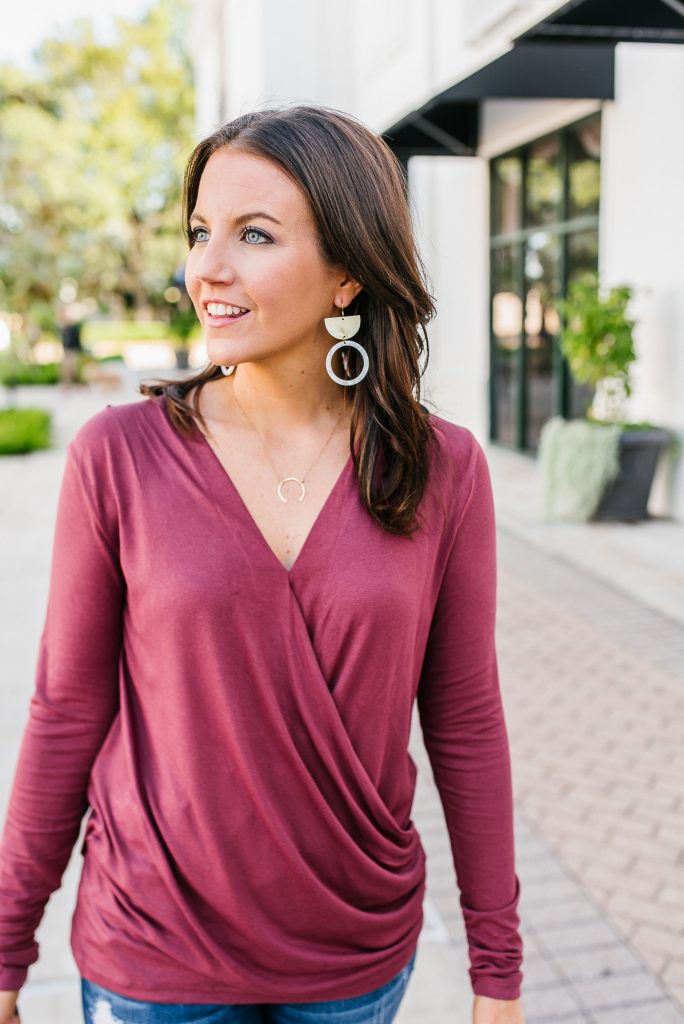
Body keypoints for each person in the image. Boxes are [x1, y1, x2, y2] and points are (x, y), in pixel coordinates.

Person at [0, 104, 526, 1024]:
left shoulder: (444, 470)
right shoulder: (118, 456)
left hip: (353, 957)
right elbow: (66, 705)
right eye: (201, 232)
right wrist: (7, 942)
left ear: (348, 275)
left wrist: (497, 968)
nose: (208, 267)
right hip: (154, 957)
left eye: (255, 234)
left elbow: (466, 718)